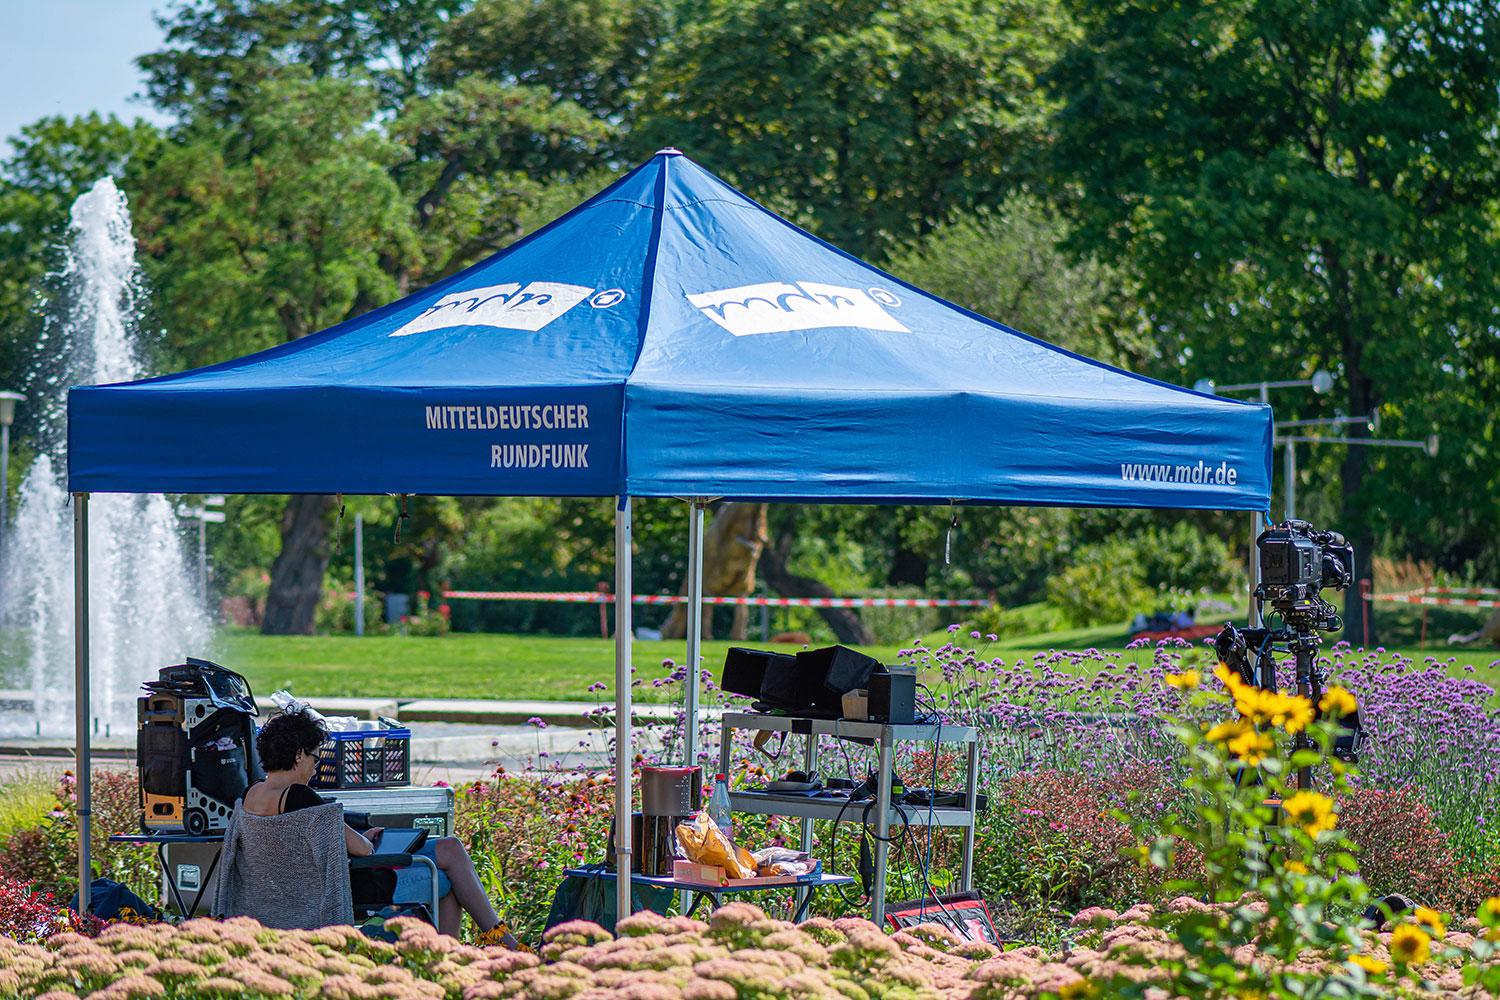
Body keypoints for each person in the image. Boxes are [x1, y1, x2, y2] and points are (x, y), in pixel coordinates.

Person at [245, 708, 523, 947]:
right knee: (448, 878)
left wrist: (352, 836)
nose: (315, 768)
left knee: (449, 850)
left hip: (293, 889)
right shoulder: (300, 796)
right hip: (347, 888)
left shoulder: (251, 795)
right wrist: (363, 839)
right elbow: (363, 850)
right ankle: (497, 945)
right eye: (315, 759)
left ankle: (459, 954)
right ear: (298, 756)